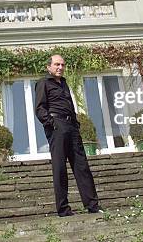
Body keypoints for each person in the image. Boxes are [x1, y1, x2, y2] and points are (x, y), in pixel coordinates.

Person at [34, 54, 103, 217]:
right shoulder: (43, 82)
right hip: (57, 127)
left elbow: (69, 104)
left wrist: (76, 123)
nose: (60, 68)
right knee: (60, 168)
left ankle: (93, 205)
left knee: (82, 166)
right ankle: (63, 209)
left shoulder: (64, 83)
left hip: (72, 127)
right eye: (57, 64)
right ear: (49, 67)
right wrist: (52, 123)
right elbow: (39, 108)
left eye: (62, 65)